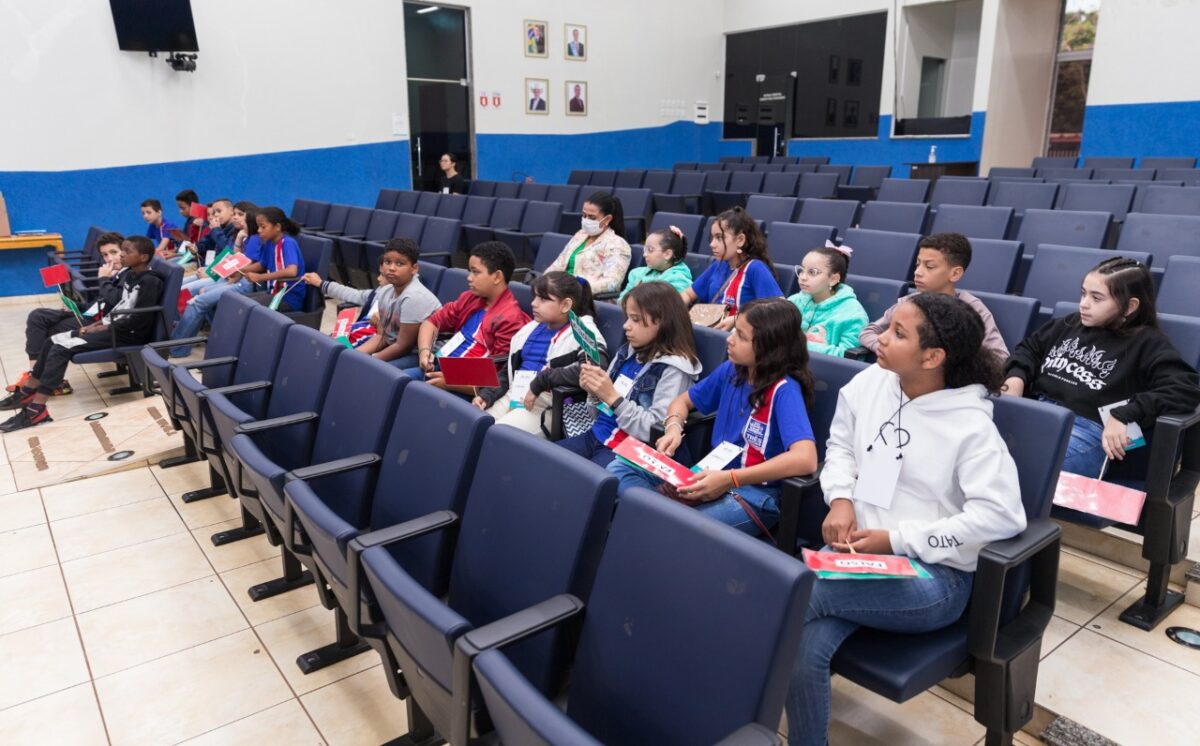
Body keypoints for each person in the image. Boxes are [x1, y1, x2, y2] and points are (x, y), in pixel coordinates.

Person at [784, 293, 1027, 746]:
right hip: (856, 558)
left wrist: (897, 540)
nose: (879, 337)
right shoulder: (873, 381)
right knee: (802, 644)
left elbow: (1001, 517)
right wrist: (841, 499)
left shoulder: (971, 427)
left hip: (932, 577)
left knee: (793, 594)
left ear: (932, 357)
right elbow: (840, 446)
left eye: (898, 333)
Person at [616, 298, 818, 536]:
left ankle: (659, 522)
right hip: (707, 472)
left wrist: (730, 479)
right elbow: (683, 401)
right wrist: (673, 427)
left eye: (741, 336)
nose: (729, 339)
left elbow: (806, 459)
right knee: (620, 469)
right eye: (734, 330)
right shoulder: (732, 370)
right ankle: (658, 521)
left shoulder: (785, 390)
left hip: (753, 493)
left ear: (769, 347)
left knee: (681, 527)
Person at [1003, 257, 1199, 477]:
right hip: (1036, 412)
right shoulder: (1070, 323)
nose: (1084, 304)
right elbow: (1030, 348)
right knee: (981, 446)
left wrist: (1125, 413)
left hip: (1088, 430)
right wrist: (1016, 377)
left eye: (1096, 298)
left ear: (1130, 306)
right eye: (1083, 293)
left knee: (1021, 465)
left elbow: (1185, 387)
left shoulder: (1148, 343)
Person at [0, 236, 165, 432]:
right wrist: (97, 324)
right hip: (114, 327)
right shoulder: (131, 275)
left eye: (127, 251)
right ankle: (28, 392)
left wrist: (103, 327)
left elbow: (139, 319)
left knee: (61, 348)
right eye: (122, 250)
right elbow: (120, 307)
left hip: (126, 334)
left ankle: (37, 410)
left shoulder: (151, 281)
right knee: (52, 340)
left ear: (143, 257)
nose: (122, 254)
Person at [555, 281, 700, 467]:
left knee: (578, 479)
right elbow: (597, 414)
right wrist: (594, 391)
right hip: (596, 435)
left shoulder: (675, 369)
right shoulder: (628, 351)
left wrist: (613, 399)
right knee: (542, 461)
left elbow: (656, 432)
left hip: (630, 452)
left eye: (635, 319)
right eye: (628, 318)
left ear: (662, 322)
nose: (625, 326)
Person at [473, 272, 602, 435]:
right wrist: (487, 396)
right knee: (474, 425)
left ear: (565, 305)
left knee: (496, 435)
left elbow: (593, 370)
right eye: (535, 297)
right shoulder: (530, 329)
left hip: (548, 407)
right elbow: (508, 372)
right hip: (513, 395)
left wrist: (542, 381)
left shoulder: (585, 332)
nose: (533, 304)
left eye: (543, 299)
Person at [5, 232, 126, 397]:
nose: (109, 258)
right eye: (105, 255)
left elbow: (116, 302)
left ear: (124, 251)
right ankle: (36, 373)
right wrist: (76, 306)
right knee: (38, 315)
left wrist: (104, 280)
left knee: (50, 329)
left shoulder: (126, 275)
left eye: (114, 252)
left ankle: (40, 378)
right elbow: (98, 304)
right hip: (88, 315)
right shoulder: (112, 274)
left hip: (97, 324)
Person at [859, 232, 1008, 361]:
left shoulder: (973, 309)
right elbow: (868, 332)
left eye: (929, 266)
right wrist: (890, 350)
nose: (917, 272)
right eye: (918, 264)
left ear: (955, 273)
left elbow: (999, 357)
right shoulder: (909, 302)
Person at [405, 242, 530, 392]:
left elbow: (497, 380)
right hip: (440, 366)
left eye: (475, 272)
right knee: (395, 379)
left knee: (404, 386)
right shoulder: (470, 298)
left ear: (497, 277)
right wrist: (424, 351)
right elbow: (431, 322)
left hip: (463, 385)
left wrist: (451, 382)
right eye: (469, 271)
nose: (469, 278)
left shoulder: (510, 319)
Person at [304, 238, 440, 368]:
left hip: (423, 354)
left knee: (366, 370)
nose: (391, 268)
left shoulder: (414, 297)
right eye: (387, 262)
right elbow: (382, 336)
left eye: (400, 264)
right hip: (396, 346)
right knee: (342, 357)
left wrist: (370, 360)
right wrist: (353, 355)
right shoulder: (385, 291)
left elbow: (403, 346)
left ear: (414, 268)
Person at [169, 202, 266, 357]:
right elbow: (231, 256)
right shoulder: (241, 234)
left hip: (240, 281)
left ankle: (178, 347)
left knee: (197, 301)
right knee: (187, 292)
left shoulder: (252, 238)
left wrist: (217, 271)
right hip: (226, 275)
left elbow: (246, 264)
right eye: (235, 214)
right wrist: (238, 239)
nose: (236, 218)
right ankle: (181, 337)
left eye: (240, 215)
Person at [681, 206, 783, 331]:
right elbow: (688, 294)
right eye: (712, 238)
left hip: (737, 336)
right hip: (711, 331)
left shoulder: (755, 268)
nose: (712, 244)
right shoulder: (718, 265)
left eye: (719, 237)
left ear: (740, 240)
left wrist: (737, 319)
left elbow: (779, 308)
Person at [788, 243, 869, 357]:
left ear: (833, 279)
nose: (802, 277)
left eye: (812, 272)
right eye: (802, 270)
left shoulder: (854, 315)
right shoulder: (794, 301)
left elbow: (848, 357)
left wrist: (798, 344)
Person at [546, 191, 631, 294]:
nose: (586, 220)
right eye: (584, 215)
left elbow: (612, 283)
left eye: (592, 217)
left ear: (607, 219)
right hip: (560, 291)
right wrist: (544, 280)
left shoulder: (617, 244)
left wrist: (573, 288)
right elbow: (558, 263)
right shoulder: (580, 234)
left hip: (586, 297)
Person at [245, 206, 306, 312]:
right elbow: (262, 265)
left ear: (277, 227)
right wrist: (239, 269)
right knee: (240, 301)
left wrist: (260, 277)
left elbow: (292, 271)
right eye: (258, 227)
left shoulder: (287, 243)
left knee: (247, 307)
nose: (259, 230)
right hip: (273, 293)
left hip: (287, 297)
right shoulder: (269, 243)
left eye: (263, 227)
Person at [619, 226, 693, 300]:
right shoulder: (638, 273)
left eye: (650, 250)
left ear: (667, 254)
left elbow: (669, 305)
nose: (644, 254)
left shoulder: (678, 280)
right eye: (644, 249)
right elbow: (623, 298)